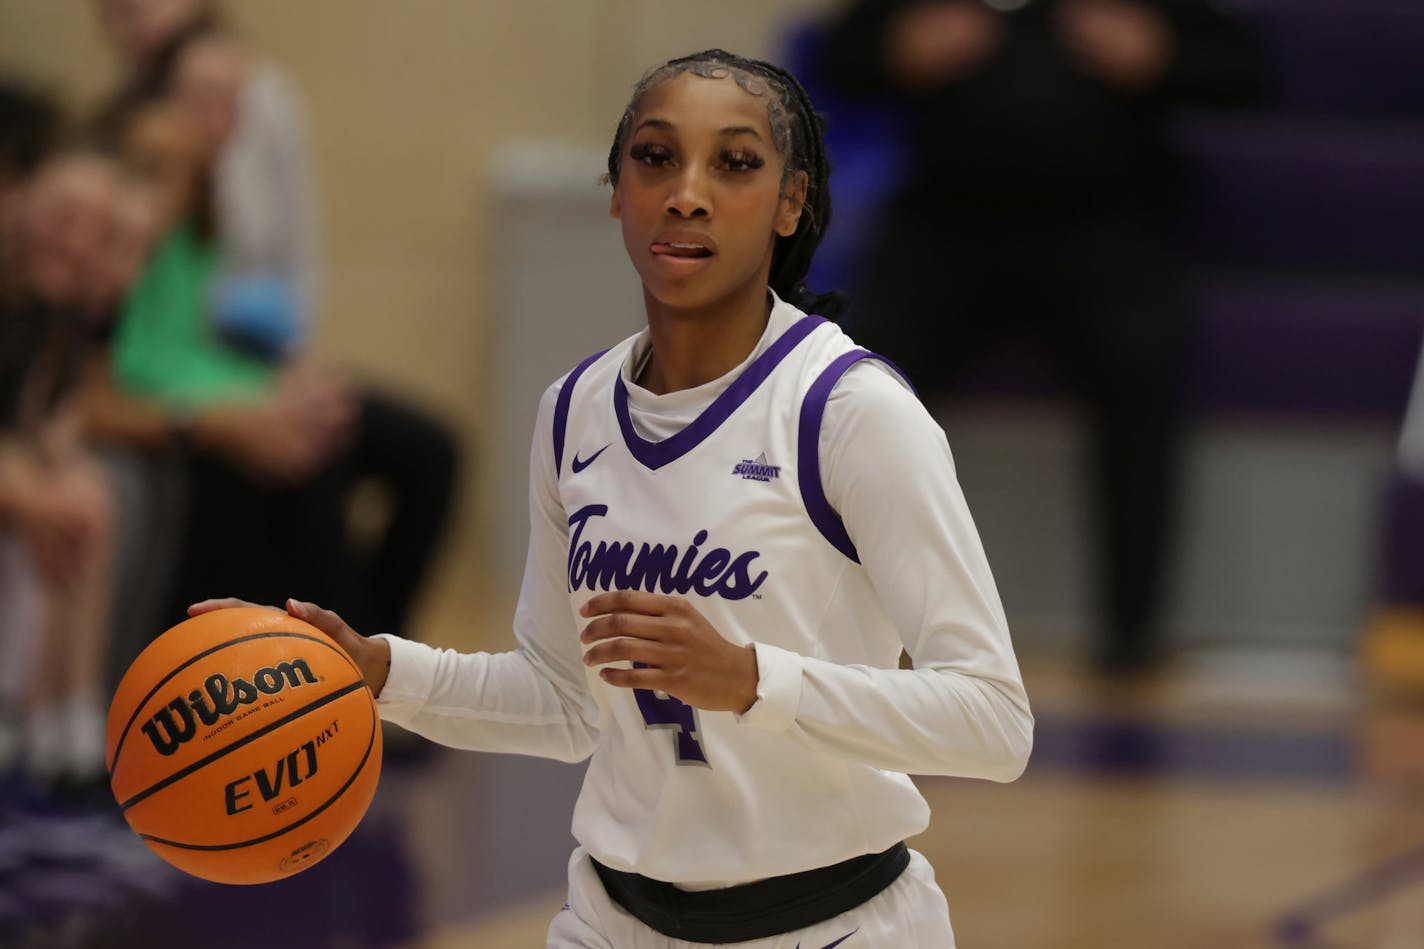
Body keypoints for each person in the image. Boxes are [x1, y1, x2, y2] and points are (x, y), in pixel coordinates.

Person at [196, 50, 1032, 947]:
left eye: (737, 163)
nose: (687, 193)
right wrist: (380, 672)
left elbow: (993, 721)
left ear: (793, 202)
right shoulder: (574, 410)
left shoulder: (848, 412)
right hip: (611, 919)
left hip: (830, 924)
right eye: (655, 157)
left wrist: (753, 680)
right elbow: (564, 698)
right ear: (615, 189)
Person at [820, 0, 1260, 673]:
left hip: (1104, 224)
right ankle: (838, 616)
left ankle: (1131, 636)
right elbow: (837, 55)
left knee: (1142, 364)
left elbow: (1244, 66)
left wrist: (1160, 54)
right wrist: (898, 50)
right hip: (946, 224)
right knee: (858, 381)